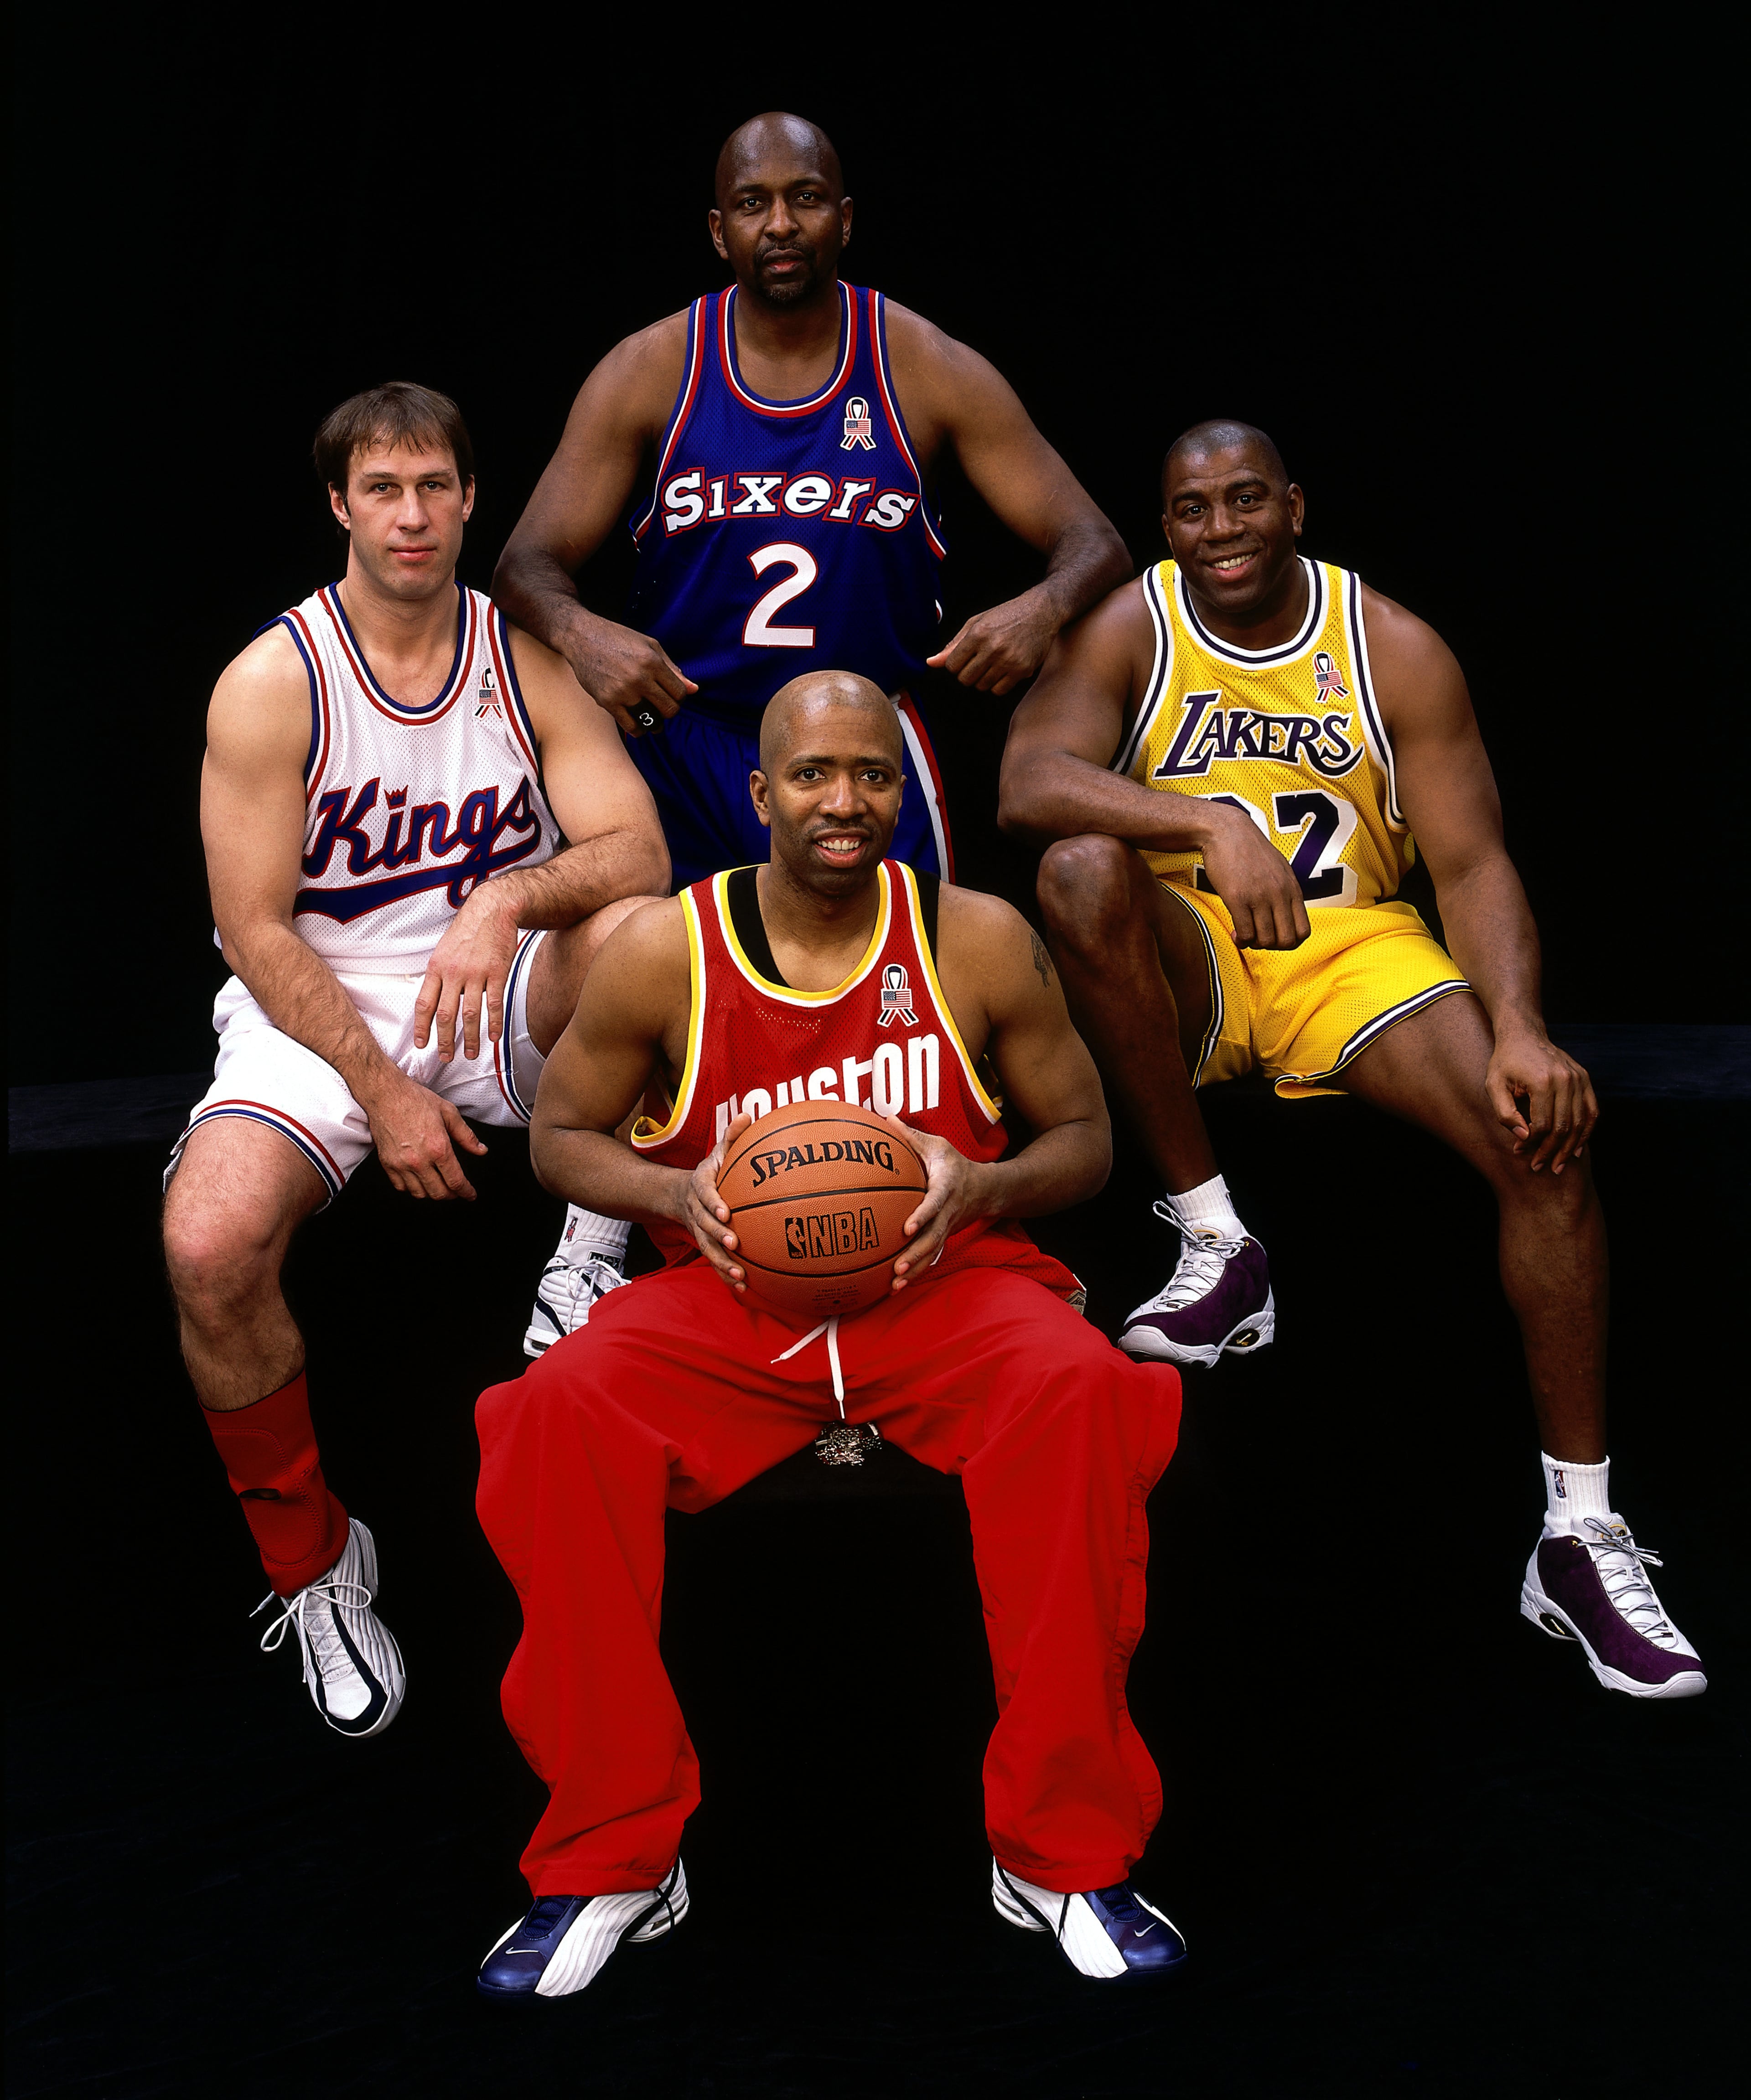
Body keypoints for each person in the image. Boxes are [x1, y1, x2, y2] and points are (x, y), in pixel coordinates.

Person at [471, 671, 1186, 2001]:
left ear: (903, 791)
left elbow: (1087, 1142)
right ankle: (611, 1855)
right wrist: (673, 1193)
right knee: (558, 1415)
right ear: (761, 794)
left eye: (871, 774)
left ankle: (1065, 1853)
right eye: (813, 775)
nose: (844, 801)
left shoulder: (975, 938)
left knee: (1084, 1390)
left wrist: (983, 1183)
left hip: (943, 1285)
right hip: (733, 1300)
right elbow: (560, 1138)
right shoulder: (667, 950)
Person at [998, 419, 1704, 1702]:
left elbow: (1473, 864)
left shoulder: (1391, 646)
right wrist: (1207, 823)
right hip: (1193, 950)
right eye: (1194, 509)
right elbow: (1029, 781)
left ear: (1296, 506)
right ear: (1167, 526)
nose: (1222, 530)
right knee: (1080, 867)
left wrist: (1523, 1027)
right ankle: (1219, 1241)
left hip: (1351, 947)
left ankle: (1580, 1533)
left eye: (1246, 500)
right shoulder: (1133, 624)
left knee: (1540, 1143)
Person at [492, 109, 1131, 1356]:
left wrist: (1040, 609)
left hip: (863, 750)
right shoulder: (654, 368)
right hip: (694, 738)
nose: (780, 224)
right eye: (754, 203)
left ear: (847, 216)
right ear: (716, 228)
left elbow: (1091, 539)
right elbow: (526, 562)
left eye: (805, 198)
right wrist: (586, 634)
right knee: (650, 983)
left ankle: (941, 1250)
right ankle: (594, 1246)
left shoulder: (919, 363)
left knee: (908, 1008)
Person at [162, 383, 668, 1739]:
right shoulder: (276, 679)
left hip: (488, 986)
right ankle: (314, 1564)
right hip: (321, 1007)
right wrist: (383, 1094)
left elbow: (638, 852)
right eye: (382, 490)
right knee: (208, 1245)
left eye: (434, 486)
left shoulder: (519, 657)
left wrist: (503, 902)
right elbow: (254, 929)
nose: (411, 515)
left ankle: (590, 1254)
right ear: (340, 505)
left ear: (469, 499)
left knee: (648, 938)